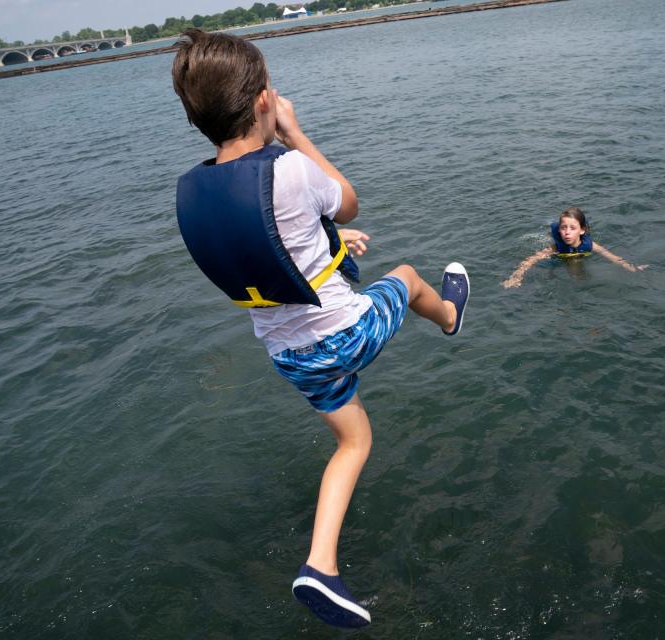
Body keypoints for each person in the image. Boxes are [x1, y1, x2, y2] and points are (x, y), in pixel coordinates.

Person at [171, 29, 470, 629]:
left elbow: (273, 247)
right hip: (342, 334)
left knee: (354, 440)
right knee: (409, 276)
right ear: (262, 102)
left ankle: (320, 566)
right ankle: (451, 317)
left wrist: (333, 244)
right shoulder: (288, 168)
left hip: (289, 357)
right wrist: (295, 134)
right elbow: (349, 201)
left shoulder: (190, 193)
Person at [502, 207, 648, 288]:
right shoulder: (555, 247)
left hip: (577, 253)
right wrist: (516, 277)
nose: (567, 232)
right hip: (564, 255)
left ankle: (579, 281)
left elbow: (612, 257)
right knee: (573, 267)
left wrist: (632, 268)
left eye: (572, 228)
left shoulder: (590, 245)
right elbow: (530, 260)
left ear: (582, 230)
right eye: (564, 228)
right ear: (559, 230)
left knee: (576, 268)